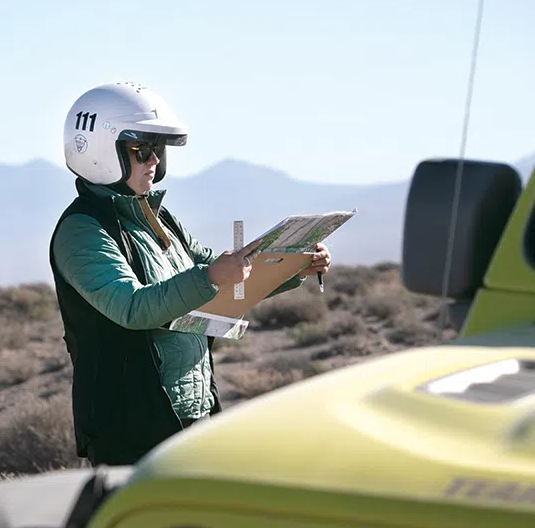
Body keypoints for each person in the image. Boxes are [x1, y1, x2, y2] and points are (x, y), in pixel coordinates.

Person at [48, 81, 332, 467]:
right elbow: (132, 308)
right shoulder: (83, 230)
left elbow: (227, 276)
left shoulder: (157, 217)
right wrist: (211, 276)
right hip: (130, 429)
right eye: (141, 150)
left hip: (189, 414)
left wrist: (296, 266)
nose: (154, 161)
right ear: (100, 152)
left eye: (158, 150)